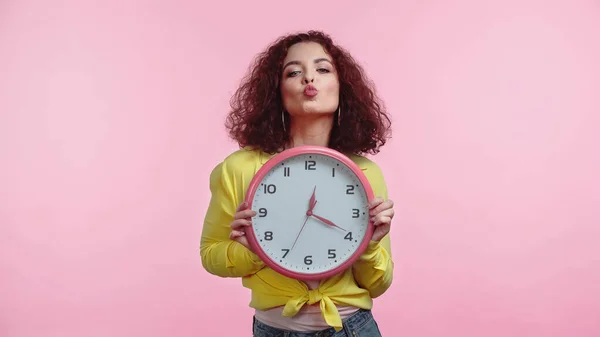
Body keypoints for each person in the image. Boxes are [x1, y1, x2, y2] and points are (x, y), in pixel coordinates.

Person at [200, 30, 395, 337]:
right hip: (275, 329)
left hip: (353, 328)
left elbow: (378, 284)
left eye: (322, 69)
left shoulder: (365, 173)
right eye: (294, 72)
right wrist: (251, 249)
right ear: (276, 91)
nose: (309, 79)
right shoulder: (239, 169)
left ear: (342, 88)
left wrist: (369, 246)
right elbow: (211, 255)